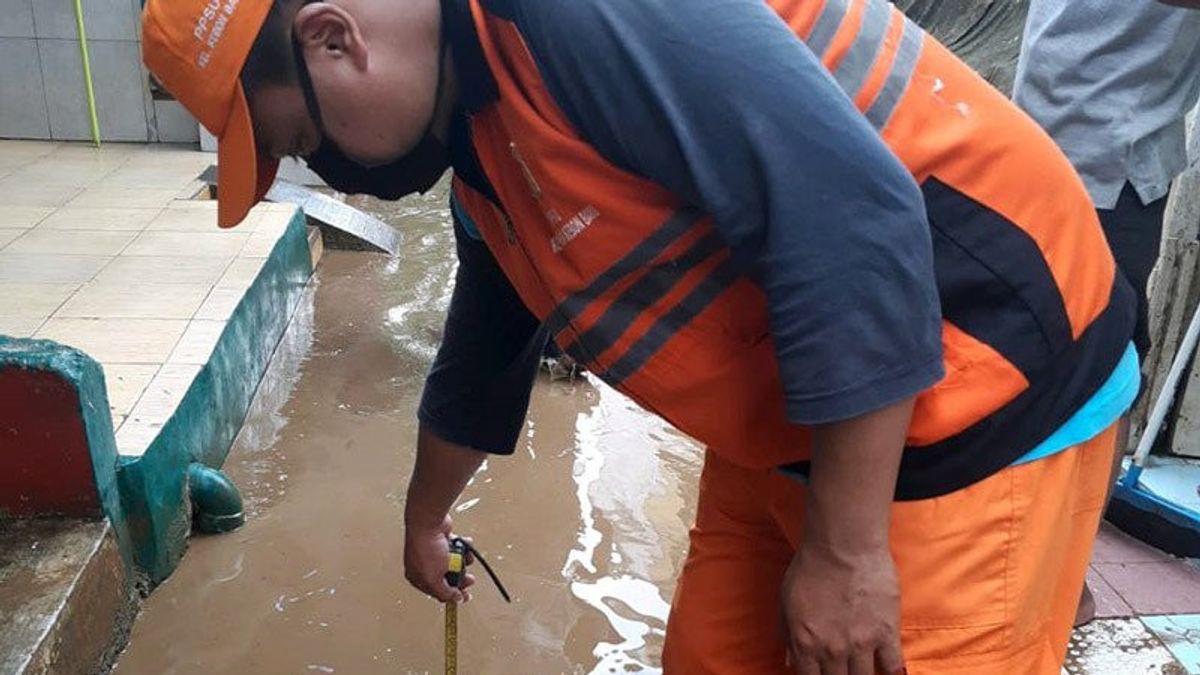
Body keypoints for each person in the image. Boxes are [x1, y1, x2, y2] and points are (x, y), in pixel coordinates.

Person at [141, 0, 1139, 672]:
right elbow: (489, 343)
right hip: (794, 425)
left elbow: (850, 219)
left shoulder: (580, 21)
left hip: (975, 395)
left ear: (332, 41)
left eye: (305, 144)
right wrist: (423, 515)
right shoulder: (480, 124)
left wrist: (844, 555)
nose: (336, 176)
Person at [1013, 0, 1200, 626]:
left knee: (1091, 361)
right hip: (1072, 140)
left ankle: (1059, 574)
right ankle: (1052, 576)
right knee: (1088, 364)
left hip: (1094, 145)